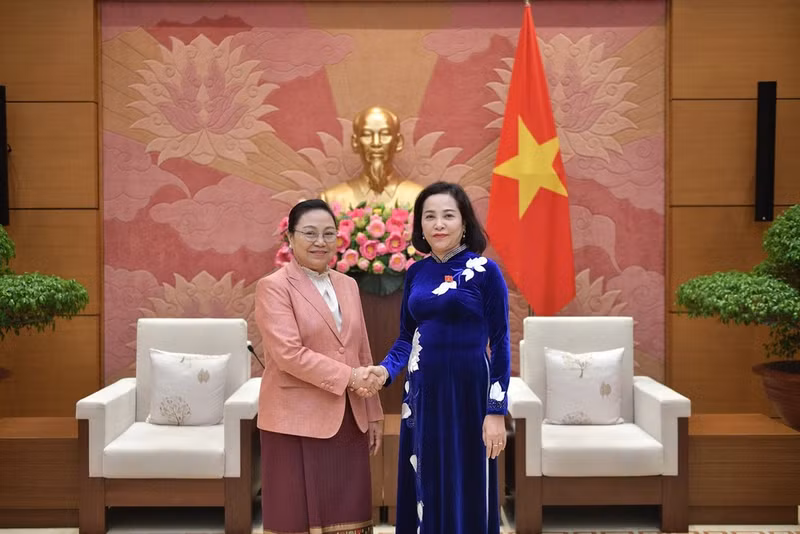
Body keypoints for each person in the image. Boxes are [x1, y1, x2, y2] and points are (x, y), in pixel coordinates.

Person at [368, 181, 511, 534]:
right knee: (425, 480)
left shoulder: (485, 271)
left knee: (468, 482)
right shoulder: (416, 272)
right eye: (429, 217)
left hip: (470, 394)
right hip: (422, 394)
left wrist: (495, 411)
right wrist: (385, 371)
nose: (439, 224)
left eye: (448, 215)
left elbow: (502, 341)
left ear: (464, 222)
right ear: (420, 226)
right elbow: (406, 336)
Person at [255, 199, 385, 534]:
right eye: (310, 233)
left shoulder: (349, 285)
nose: (320, 241)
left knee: (349, 515)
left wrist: (372, 412)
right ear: (290, 239)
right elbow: (288, 354)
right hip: (293, 420)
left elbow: (361, 352)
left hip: (348, 417)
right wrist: (349, 377)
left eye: (329, 233)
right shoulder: (274, 287)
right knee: (294, 516)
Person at [321, 106, 422, 209]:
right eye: (367, 135)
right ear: (355, 142)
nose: (376, 143)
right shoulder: (331, 199)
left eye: (385, 134)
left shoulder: (419, 198)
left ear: (398, 142)